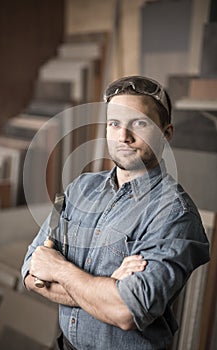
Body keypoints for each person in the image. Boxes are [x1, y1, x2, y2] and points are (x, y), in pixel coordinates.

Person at [21, 75, 210, 350]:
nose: (124, 136)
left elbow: (126, 311)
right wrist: (107, 289)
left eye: (139, 123)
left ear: (166, 133)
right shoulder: (81, 188)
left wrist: (58, 268)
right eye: (114, 123)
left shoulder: (174, 214)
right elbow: (30, 272)